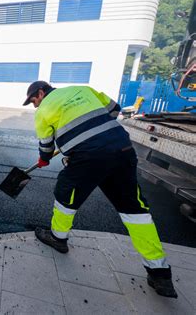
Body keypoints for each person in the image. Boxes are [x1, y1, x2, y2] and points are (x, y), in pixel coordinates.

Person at [23, 81, 177, 298]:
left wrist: (44, 160)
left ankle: (58, 239)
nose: (34, 106)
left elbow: (46, 147)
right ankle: (160, 273)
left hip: (89, 157)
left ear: (41, 92)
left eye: (33, 101)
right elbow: (115, 109)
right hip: (122, 149)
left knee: (65, 195)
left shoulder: (43, 111)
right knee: (135, 212)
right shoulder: (83, 89)